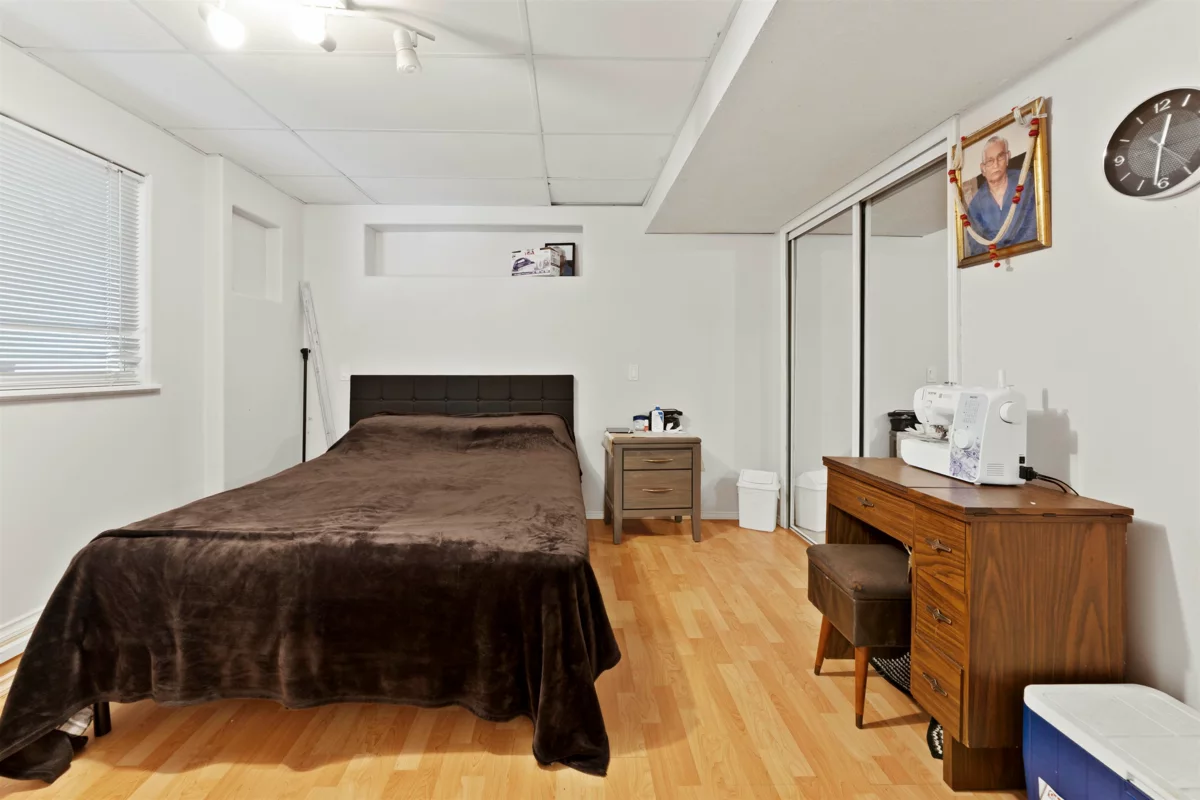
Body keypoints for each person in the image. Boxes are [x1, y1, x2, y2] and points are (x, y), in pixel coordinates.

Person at [965, 135, 1037, 256]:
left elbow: (1034, 224)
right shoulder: (975, 206)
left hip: (1028, 254)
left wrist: (1017, 252)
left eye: (1000, 157)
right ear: (983, 168)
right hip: (994, 262)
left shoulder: (1025, 181)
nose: (996, 164)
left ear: (1007, 157)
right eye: (990, 161)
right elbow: (976, 246)